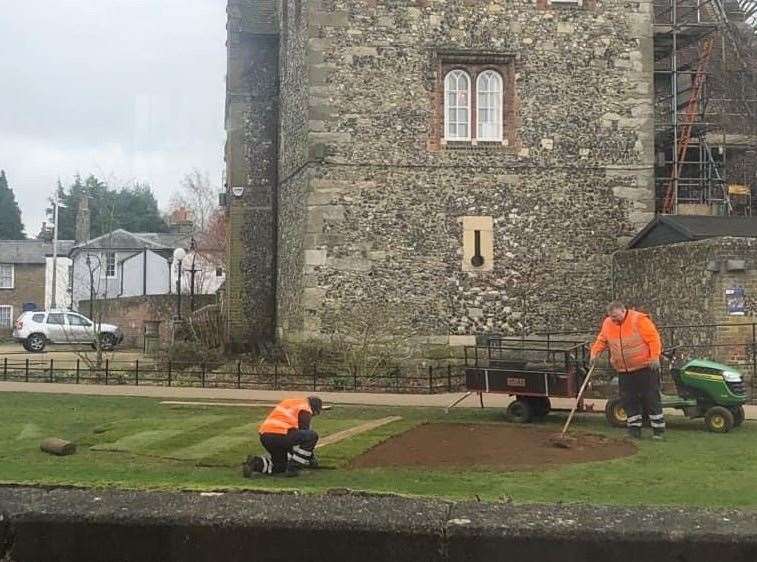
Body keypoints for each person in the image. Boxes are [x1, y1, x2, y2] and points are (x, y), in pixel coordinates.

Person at [590, 301, 665, 440]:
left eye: (616, 317)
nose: (613, 320)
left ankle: (658, 430)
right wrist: (594, 354)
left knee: (651, 398)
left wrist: (655, 356)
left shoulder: (639, 320)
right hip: (624, 370)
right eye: (611, 317)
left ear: (623, 311)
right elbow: (601, 340)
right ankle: (634, 430)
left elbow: (653, 338)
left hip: (645, 367)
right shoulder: (607, 323)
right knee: (628, 400)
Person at [243, 395, 323, 477]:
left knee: (280, 467)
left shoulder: (289, 402)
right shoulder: (305, 408)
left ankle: (254, 463)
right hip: (281, 433)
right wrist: (310, 458)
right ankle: (294, 468)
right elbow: (305, 438)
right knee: (312, 436)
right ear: (314, 408)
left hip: (266, 436)